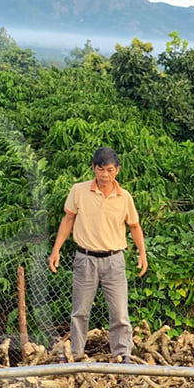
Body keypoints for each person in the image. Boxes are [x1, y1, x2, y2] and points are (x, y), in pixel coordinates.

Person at [47, 147, 148, 363]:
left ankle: (123, 355)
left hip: (114, 260)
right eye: (100, 169)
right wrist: (56, 249)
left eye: (109, 170)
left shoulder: (125, 197)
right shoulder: (79, 191)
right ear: (93, 168)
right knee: (80, 312)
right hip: (85, 259)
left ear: (117, 171)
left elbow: (135, 226)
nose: (104, 175)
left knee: (120, 312)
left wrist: (142, 253)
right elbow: (68, 220)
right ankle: (75, 353)